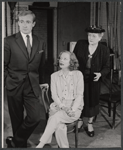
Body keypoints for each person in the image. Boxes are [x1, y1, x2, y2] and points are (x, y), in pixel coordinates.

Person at [4, 10, 45, 148]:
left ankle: (15, 141)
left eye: (28, 22)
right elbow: (2, 65)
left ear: (33, 24)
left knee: (36, 116)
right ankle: (20, 146)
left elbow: (42, 64)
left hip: (32, 85)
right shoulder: (9, 41)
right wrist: (6, 81)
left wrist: (43, 82)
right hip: (14, 85)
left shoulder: (40, 42)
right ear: (18, 23)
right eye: (21, 21)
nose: (24, 25)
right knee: (16, 119)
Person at [36, 51, 84, 148]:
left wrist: (72, 109)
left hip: (74, 107)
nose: (61, 60)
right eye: (60, 58)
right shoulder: (54, 76)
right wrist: (63, 107)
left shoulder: (78, 74)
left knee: (55, 118)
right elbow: (54, 96)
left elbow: (79, 95)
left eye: (65, 59)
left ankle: (41, 144)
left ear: (71, 61)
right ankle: (64, 147)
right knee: (59, 126)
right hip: (59, 105)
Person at [73, 25, 110, 137]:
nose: (91, 38)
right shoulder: (80, 44)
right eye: (89, 35)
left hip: (94, 80)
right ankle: (79, 120)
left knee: (92, 101)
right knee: (79, 99)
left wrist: (100, 74)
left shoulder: (104, 49)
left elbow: (107, 67)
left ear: (100, 37)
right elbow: (73, 59)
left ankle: (89, 123)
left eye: (94, 36)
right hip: (79, 78)